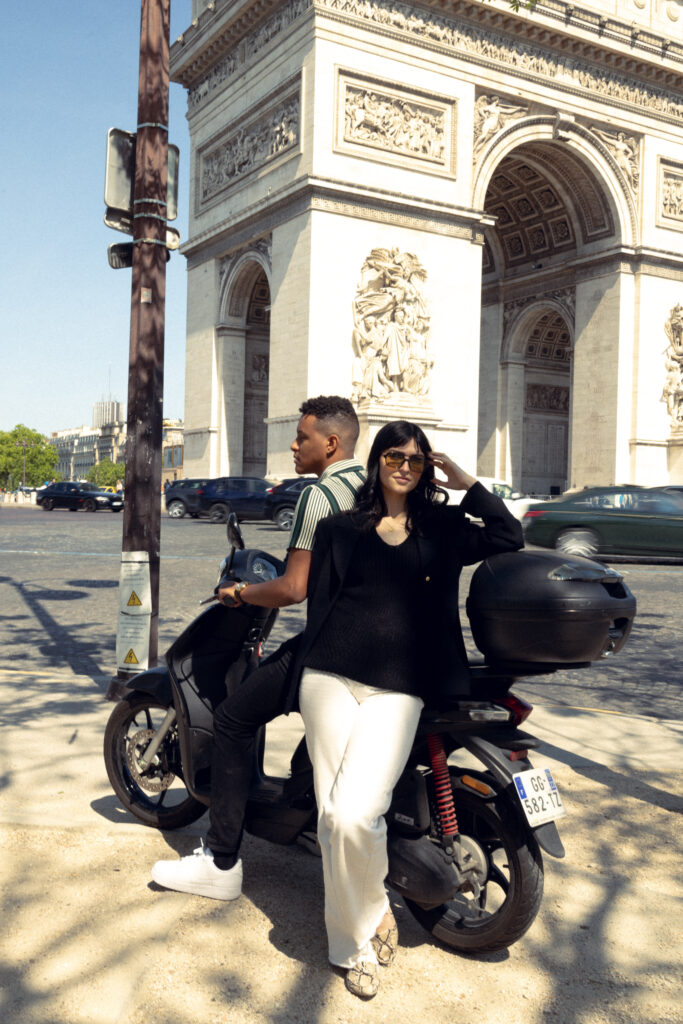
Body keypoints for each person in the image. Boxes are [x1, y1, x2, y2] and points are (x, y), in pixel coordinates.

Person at [289, 420, 523, 998]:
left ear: (426, 468)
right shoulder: (340, 528)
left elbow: (507, 535)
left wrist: (466, 481)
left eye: (416, 460)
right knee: (332, 815)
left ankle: (369, 912)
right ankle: (358, 939)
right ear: (376, 461)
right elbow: (320, 605)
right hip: (329, 678)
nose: (405, 466)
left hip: (401, 686)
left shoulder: (444, 526)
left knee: (354, 814)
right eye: (395, 456)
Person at [151, 396, 365, 899]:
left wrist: (241, 592)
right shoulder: (372, 485)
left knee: (232, 720)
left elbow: (292, 588)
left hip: (330, 646)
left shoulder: (321, 495)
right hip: (377, 646)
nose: (293, 445)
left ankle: (220, 861)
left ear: (330, 444)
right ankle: (305, 820)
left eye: (302, 437)